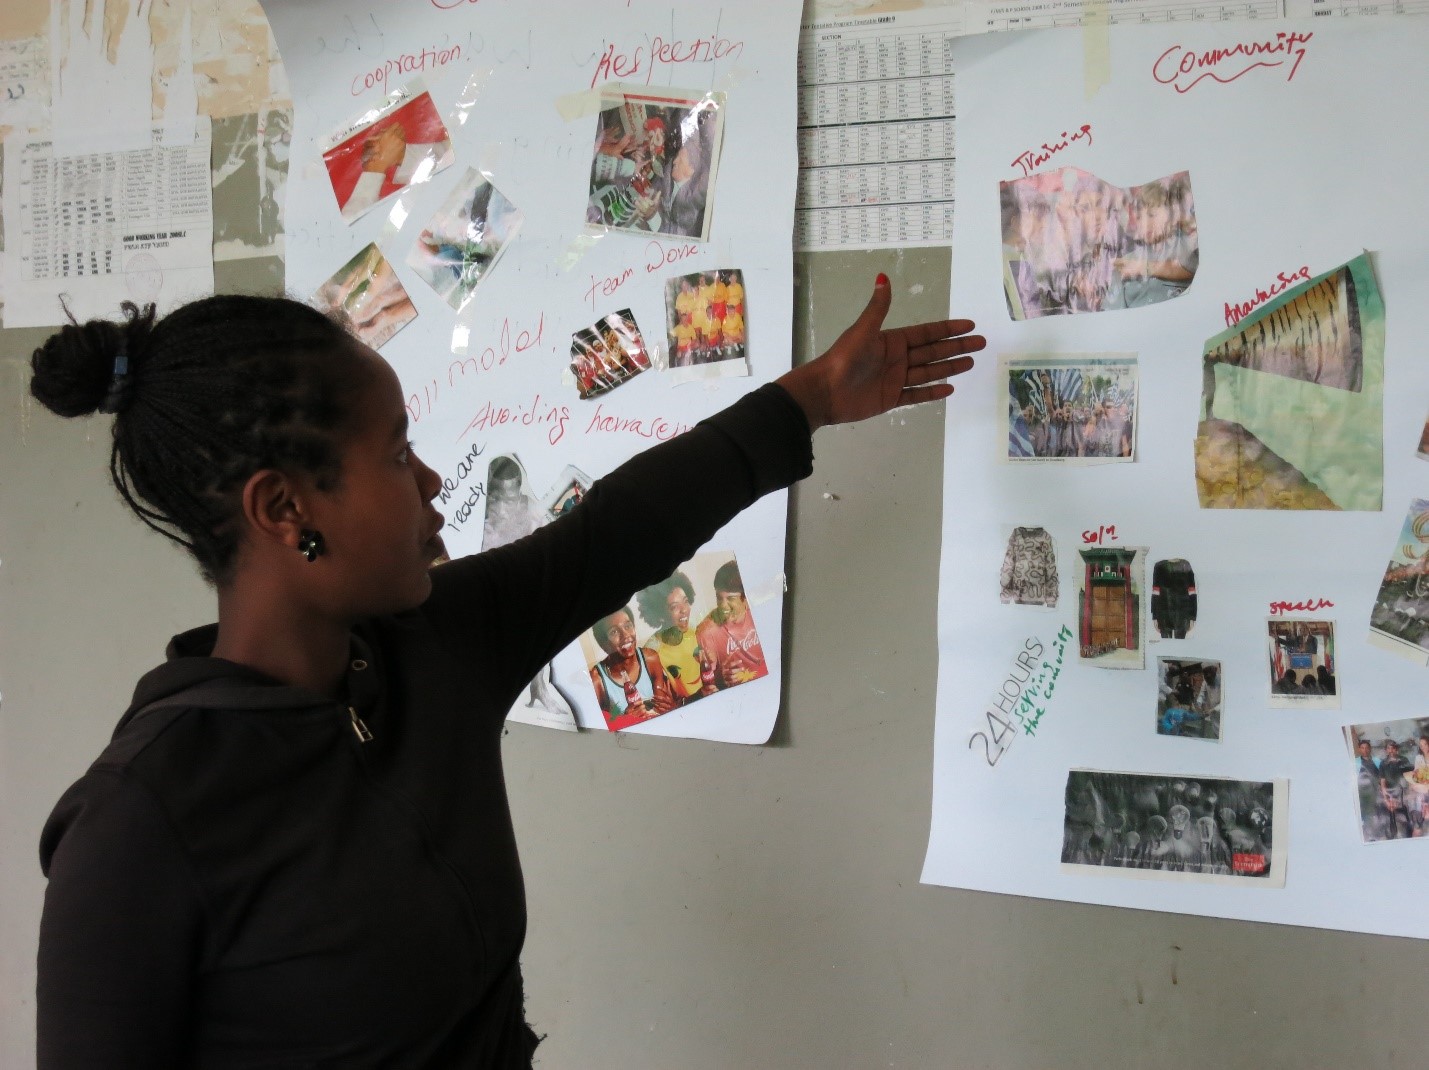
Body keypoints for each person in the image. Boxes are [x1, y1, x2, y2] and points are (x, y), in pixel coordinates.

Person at [29, 275, 983, 1066]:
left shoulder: (432, 648)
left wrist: (810, 398)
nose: (433, 482)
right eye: (397, 450)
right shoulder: (142, 824)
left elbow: (617, 533)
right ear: (285, 509)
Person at [587, 606, 677, 726]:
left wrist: (672, 708)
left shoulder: (650, 659)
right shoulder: (597, 680)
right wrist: (625, 720)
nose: (625, 635)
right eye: (614, 632)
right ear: (604, 644)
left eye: (628, 626)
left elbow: (661, 709)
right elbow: (597, 728)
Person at [635, 572, 713, 703]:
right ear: (660, 614)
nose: (684, 610)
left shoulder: (697, 630)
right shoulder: (652, 652)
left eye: (686, 602)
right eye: (674, 607)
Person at [696, 561, 768, 689]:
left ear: (745, 598)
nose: (723, 606)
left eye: (730, 598)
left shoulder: (761, 609)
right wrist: (722, 677)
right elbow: (710, 685)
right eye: (719, 597)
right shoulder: (706, 632)